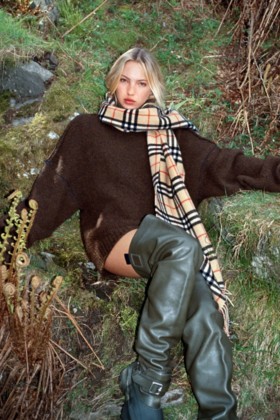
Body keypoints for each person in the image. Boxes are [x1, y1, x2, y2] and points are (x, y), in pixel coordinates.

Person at [2, 48, 280, 419]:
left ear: (153, 88)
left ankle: (220, 411)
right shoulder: (86, 130)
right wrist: (8, 243)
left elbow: (226, 165)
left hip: (167, 247)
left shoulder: (171, 135)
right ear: (113, 80)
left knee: (201, 303)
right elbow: (49, 195)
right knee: (183, 248)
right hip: (115, 240)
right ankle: (145, 382)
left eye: (141, 82)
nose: (130, 90)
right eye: (124, 79)